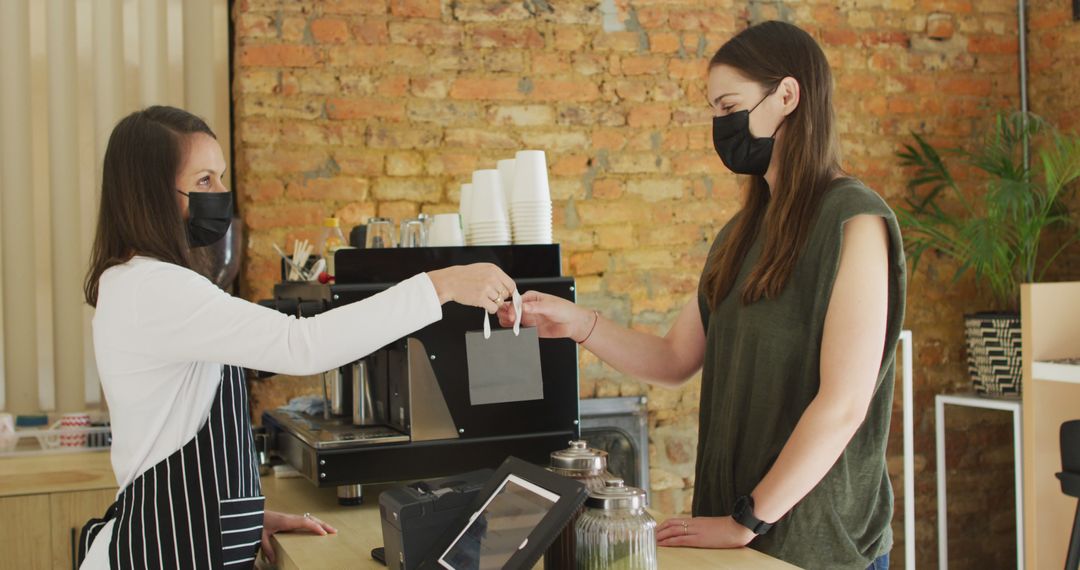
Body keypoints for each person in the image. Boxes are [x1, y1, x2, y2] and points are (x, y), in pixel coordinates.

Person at [499, 21, 905, 570]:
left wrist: (747, 519)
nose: (720, 124)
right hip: (736, 528)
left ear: (787, 96)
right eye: (714, 109)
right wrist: (578, 324)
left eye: (729, 105)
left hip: (815, 541)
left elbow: (844, 405)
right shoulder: (739, 236)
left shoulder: (854, 221)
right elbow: (674, 359)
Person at [78, 106, 516, 569]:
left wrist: (242, 516)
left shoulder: (138, 282)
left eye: (221, 178)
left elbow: (174, 426)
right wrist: (442, 285)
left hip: (182, 534)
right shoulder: (156, 288)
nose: (222, 195)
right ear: (150, 195)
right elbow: (302, 344)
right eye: (204, 181)